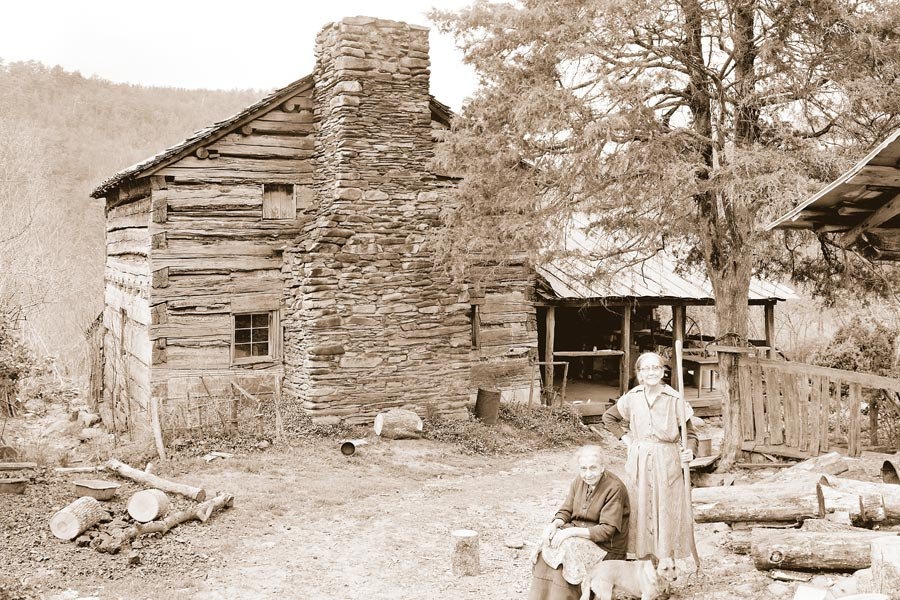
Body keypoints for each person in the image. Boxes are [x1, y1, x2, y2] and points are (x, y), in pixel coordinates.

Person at [601, 351, 698, 563]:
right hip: (640, 460)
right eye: (646, 369)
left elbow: (690, 435)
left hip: (667, 461)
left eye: (656, 368)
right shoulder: (632, 397)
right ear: (639, 374)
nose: (651, 372)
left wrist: (690, 450)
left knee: (666, 510)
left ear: (663, 371)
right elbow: (608, 418)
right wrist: (627, 440)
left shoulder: (674, 399)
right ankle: (644, 566)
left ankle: (665, 564)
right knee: (640, 508)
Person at [529, 445, 630, 600]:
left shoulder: (614, 487)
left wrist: (569, 532)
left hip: (606, 547)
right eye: (583, 468)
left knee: (565, 549)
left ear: (602, 467)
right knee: (547, 543)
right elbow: (566, 509)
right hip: (580, 535)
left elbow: (606, 530)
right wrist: (554, 524)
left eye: (593, 468)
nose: (587, 474)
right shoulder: (579, 480)